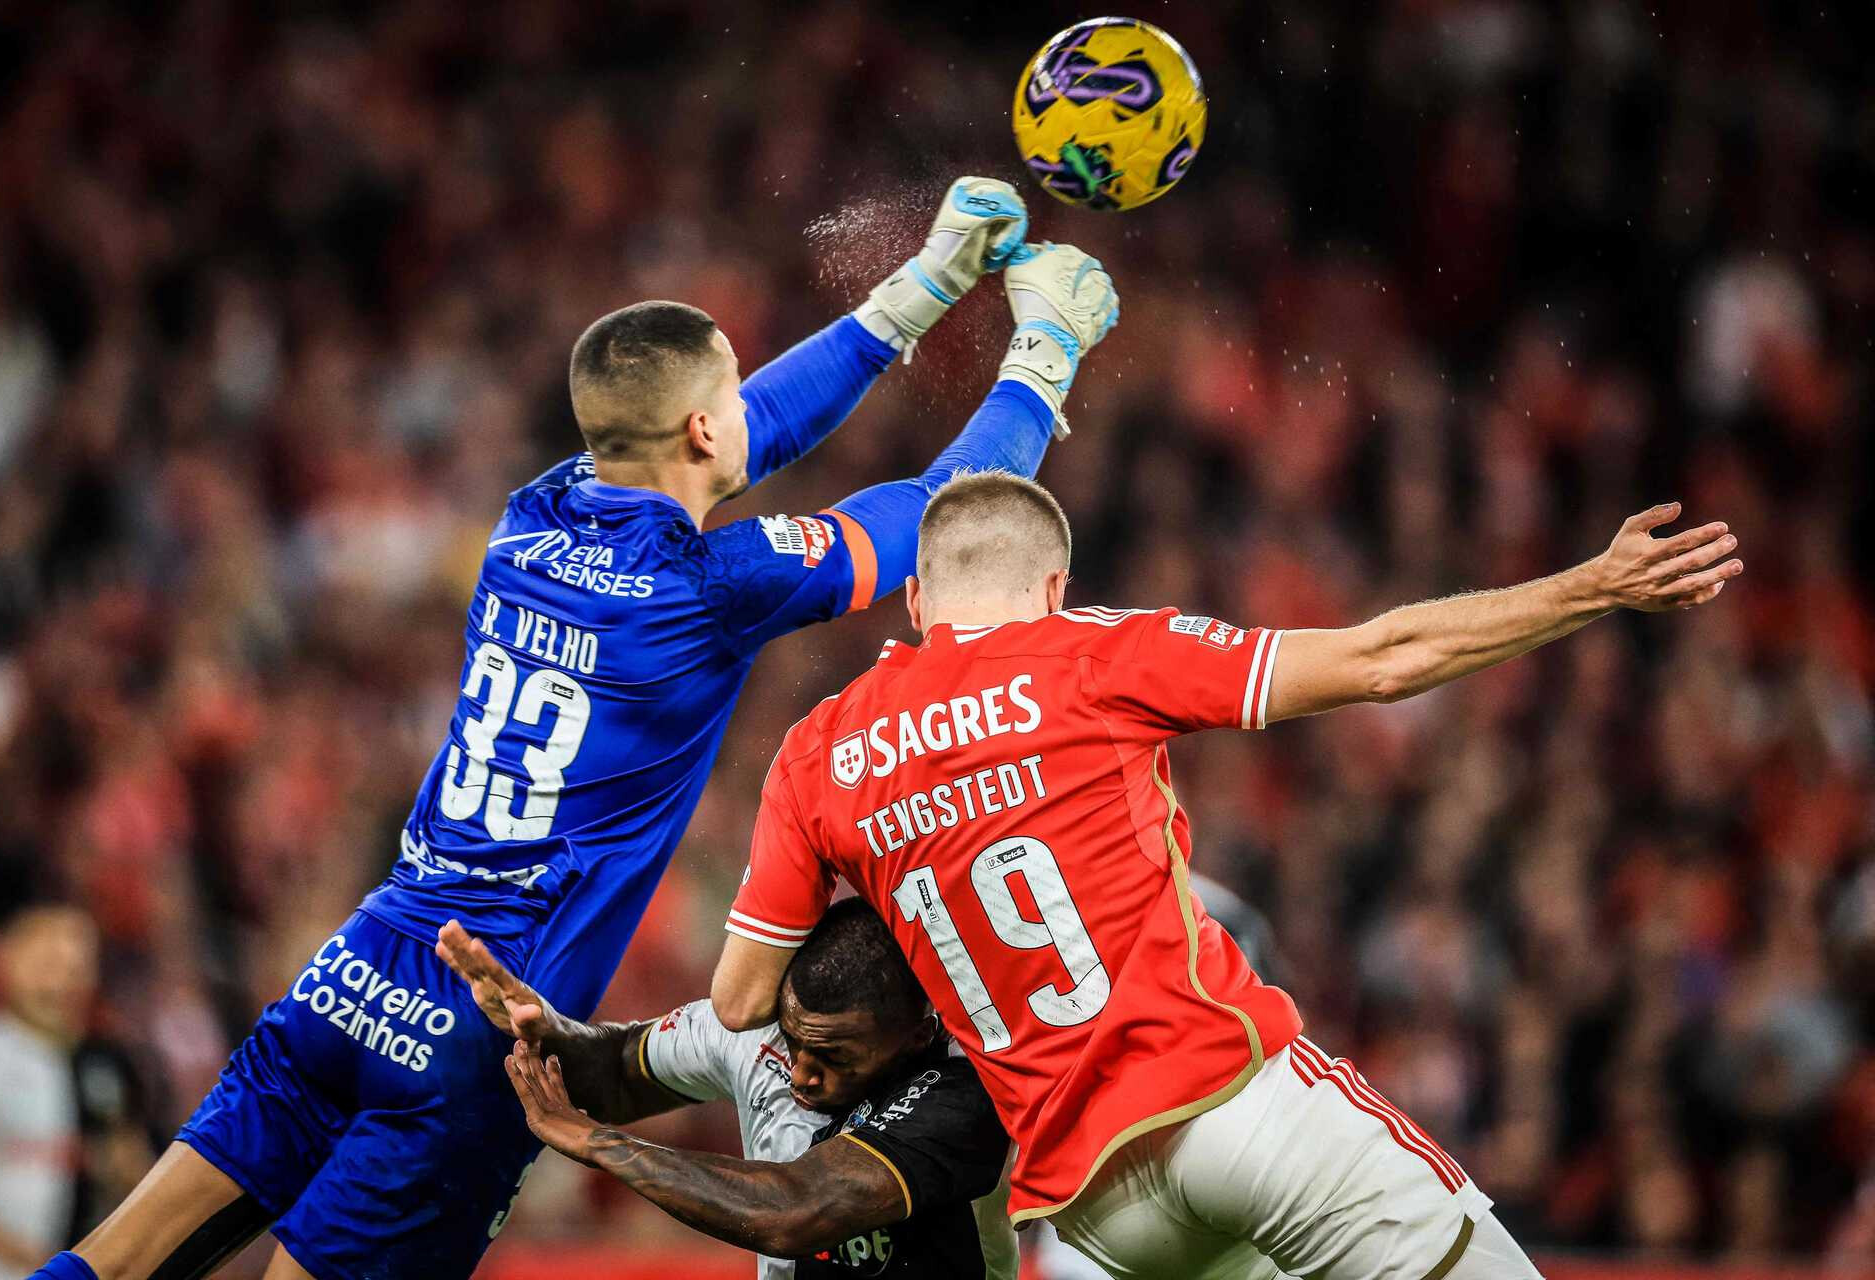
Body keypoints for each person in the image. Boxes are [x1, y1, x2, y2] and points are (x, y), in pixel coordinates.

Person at [48, 181, 1120, 1280]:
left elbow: (732, 430)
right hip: (481, 1022)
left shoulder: (533, 511)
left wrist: (925, 285)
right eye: (732, 400)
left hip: (358, 964)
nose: (753, 411)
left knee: (116, 1255)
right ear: (706, 425)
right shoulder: (711, 584)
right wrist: (1043, 353)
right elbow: (945, 514)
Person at [708, 472, 1743, 1279]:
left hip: (1090, 1204)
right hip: (1227, 1104)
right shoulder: (1089, 653)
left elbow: (744, 996)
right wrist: (1592, 586)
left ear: (920, 595)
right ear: (1057, 587)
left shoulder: (817, 751)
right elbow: (1382, 660)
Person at [437, 900, 1015, 1277]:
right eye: (795, 1042)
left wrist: (602, 1145)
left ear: (915, 1035)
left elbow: (797, 1207)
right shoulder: (749, 1028)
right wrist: (546, 1027)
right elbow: (615, 1072)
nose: (801, 1073)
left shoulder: (970, 1084)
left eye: (836, 1056)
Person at [0, 906, 100, 1280]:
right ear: (6, 965)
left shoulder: (96, 1065)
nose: (63, 982)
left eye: (76, 969)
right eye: (48, 964)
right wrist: (24, 1254)